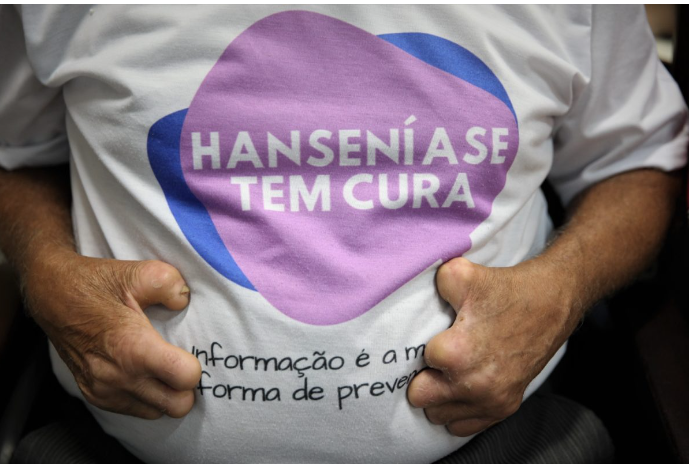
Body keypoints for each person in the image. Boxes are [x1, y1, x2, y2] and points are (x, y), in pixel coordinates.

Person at [0, 5, 686, 464]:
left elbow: (636, 159)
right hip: (111, 449)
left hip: (500, 443)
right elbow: (15, 152)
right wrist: (45, 271)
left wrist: (562, 288)